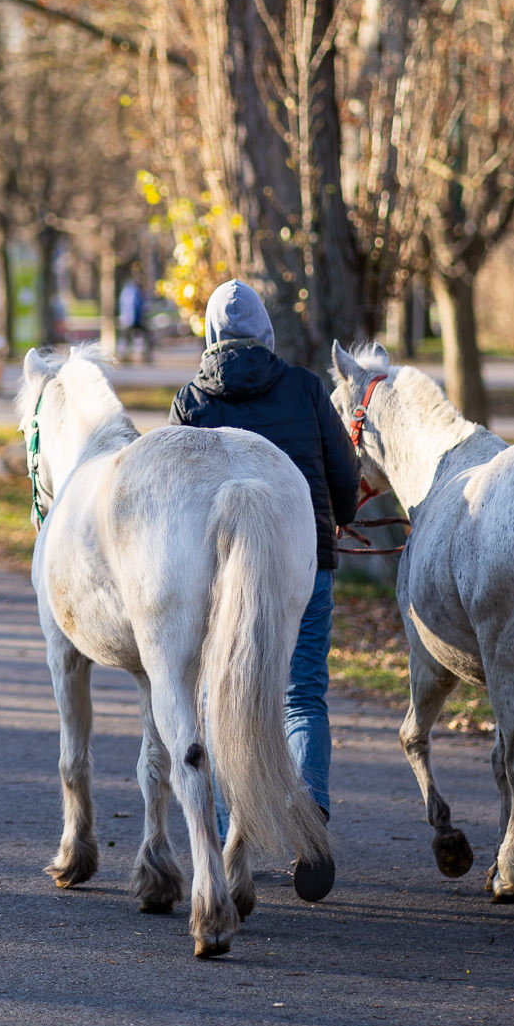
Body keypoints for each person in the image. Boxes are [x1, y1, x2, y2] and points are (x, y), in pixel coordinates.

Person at [169, 278, 360, 901]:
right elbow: (343, 474)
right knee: (302, 693)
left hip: (218, 578)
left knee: (222, 699)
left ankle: (230, 847)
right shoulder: (306, 388)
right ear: (266, 333)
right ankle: (312, 828)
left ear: (211, 336)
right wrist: (341, 517)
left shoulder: (191, 401)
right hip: (306, 567)